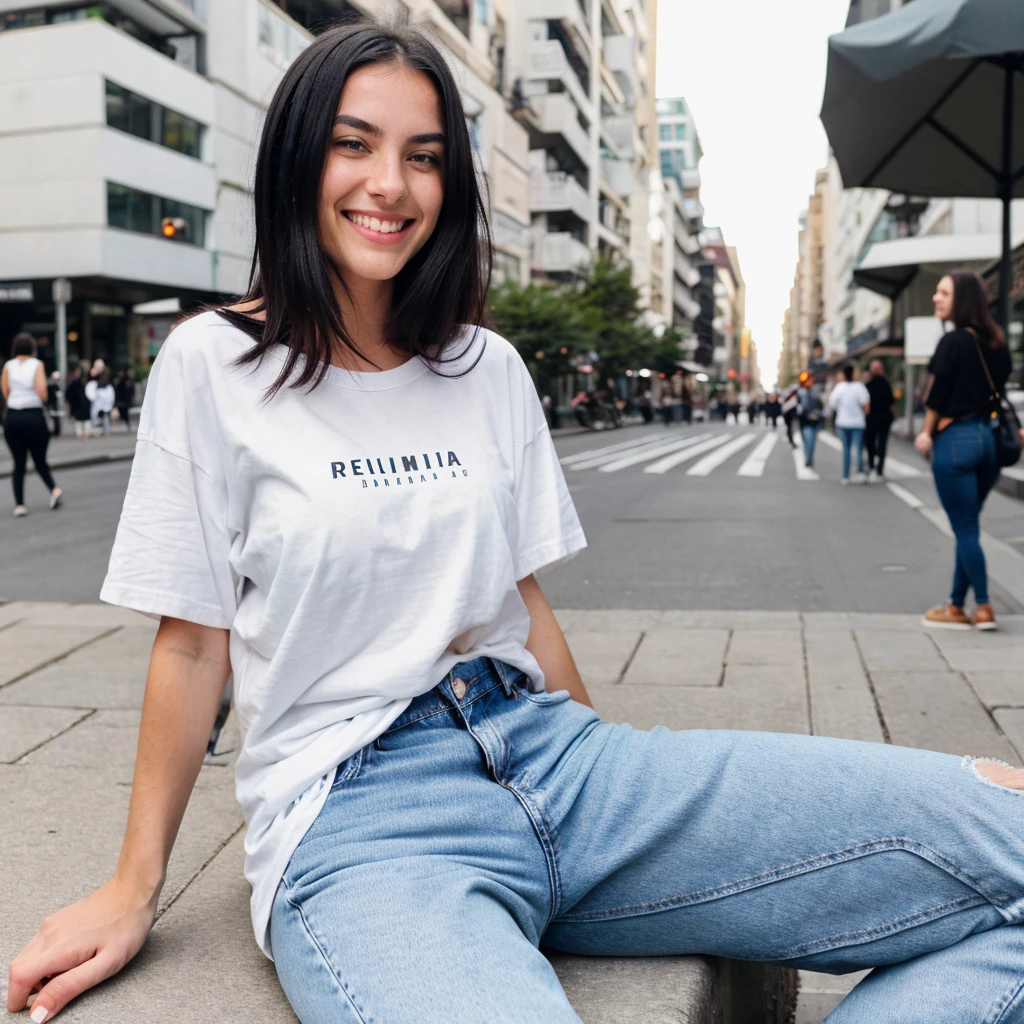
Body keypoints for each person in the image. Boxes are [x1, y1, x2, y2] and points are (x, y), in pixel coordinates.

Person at [19, 24, 1024, 1024]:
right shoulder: (211, 364)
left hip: (553, 755)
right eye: (353, 143)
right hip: (365, 817)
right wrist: (133, 882)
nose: (391, 184)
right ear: (295, 159)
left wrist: (616, 776)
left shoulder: (485, 367)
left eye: (424, 157)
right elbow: (194, 643)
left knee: (1008, 827)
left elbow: (518, 595)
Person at [915, 270, 1012, 631]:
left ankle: (983, 607)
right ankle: (956, 605)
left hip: (956, 439)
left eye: (943, 293)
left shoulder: (953, 341)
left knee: (965, 526)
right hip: (988, 441)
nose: (935, 298)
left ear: (963, 300)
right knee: (967, 525)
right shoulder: (998, 344)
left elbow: (936, 397)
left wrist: (926, 433)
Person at [1, 332, 62, 516]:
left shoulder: (8, 366)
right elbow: (42, 392)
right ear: (32, 348)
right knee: (39, 460)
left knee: (18, 463)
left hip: (13, 417)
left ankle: (20, 505)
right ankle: (54, 489)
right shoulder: (37, 365)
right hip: (34, 417)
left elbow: (5, 392)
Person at [828, 364, 871, 485]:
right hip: (857, 423)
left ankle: (845, 476)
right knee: (857, 449)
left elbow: (832, 404)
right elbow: (866, 407)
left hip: (842, 423)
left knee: (846, 450)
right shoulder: (860, 387)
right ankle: (859, 473)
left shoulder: (839, 388)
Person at [864, 359, 894, 482]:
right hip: (871, 419)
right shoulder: (867, 384)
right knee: (871, 443)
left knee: (880, 444)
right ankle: (873, 466)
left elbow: (891, 401)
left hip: (882, 419)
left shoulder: (885, 383)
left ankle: (878, 469)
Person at [796, 372, 823, 467]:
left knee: (811, 441)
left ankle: (809, 459)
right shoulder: (800, 393)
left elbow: (820, 406)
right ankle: (808, 458)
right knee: (807, 441)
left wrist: (817, 415)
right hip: (804, 422)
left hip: (814, 422)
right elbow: (797, 407)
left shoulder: (816, 392)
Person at [64, 362, 92, 438]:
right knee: (85, 420)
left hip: (79, 405)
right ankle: (85, 433)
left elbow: (68, 394)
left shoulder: (76, 383)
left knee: (80, 421)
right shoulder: (88, 382)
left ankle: (82, 434)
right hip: (83, 405)